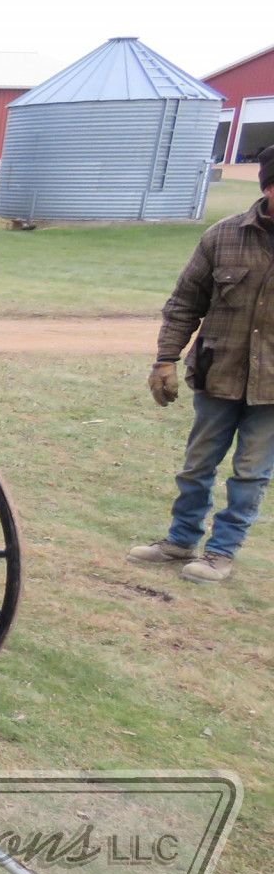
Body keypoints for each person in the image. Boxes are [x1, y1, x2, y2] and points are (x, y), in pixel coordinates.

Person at [127, 146, 274, 584]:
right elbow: (184, 304)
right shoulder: (222, 236)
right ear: (268, 187)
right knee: (197, 465)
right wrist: (165, 360)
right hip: (218, 374)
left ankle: (220, 553)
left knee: (249, 473)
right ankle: (180, 540)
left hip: (271, 390)